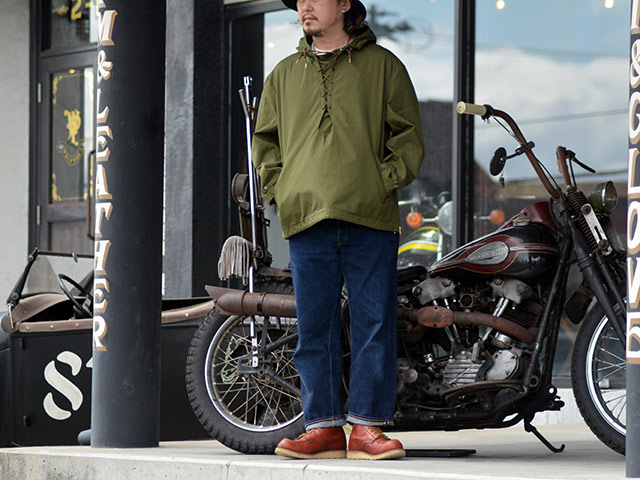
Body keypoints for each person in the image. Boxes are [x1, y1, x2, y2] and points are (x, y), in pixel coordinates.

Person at [252, 0, 424, 460]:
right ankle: (323, 428)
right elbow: (265, 144)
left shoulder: (383, 66)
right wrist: (283, 189)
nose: (304, 7)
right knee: (315, 327)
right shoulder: (283, 75)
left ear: (345, 4)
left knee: (374, 324)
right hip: (306, 218)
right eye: (299, 1)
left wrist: (381, 180)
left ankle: (367, 427)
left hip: (370, 216)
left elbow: (408, 137)